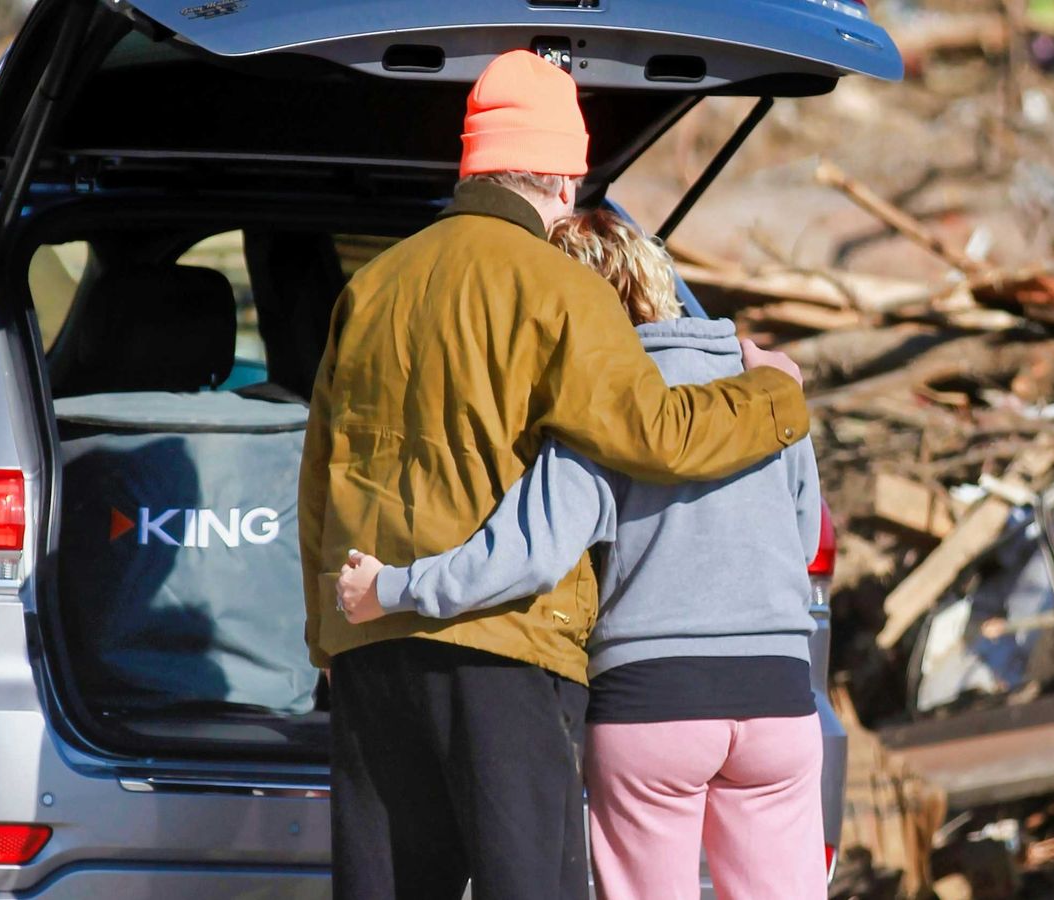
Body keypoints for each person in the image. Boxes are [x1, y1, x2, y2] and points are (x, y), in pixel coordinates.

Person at [298, 50, 809, 900]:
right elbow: (656, 434)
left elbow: (322, 469)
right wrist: (775, 398)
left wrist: (328, 636)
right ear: (565, 182)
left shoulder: (374, 284)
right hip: (505, 647)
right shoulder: (561, 291)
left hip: (372, 647)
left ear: (473, 163)